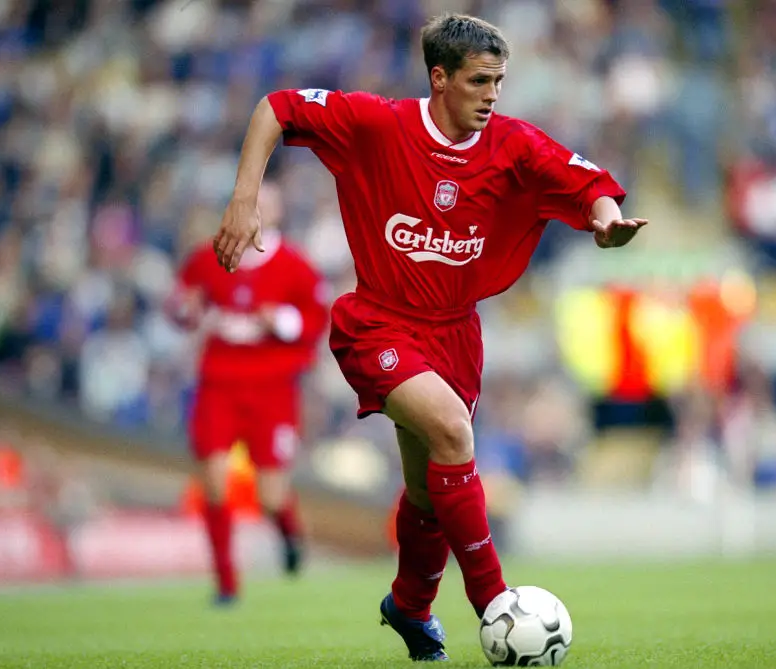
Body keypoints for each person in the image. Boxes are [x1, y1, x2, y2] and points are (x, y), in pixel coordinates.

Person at [212, 13, 647, 660]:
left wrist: (607, 221)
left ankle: (410, 605)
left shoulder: (513, 144)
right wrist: (244, 199)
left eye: (498, 82)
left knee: (428, 490)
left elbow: (587, 183)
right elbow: (276, 107)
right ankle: (496, 604)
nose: (492, 95)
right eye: (479, 81)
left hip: (454, 334)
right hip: (377, 322)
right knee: (452, 431)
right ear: (440, 78)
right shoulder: (377, 124)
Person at [167, 182, 329, 605]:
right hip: (219, 382)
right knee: (214, 481)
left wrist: (283, 320)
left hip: (272, 388)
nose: (257, 210)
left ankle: (289, 533)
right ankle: (226, 583)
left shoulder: (295, 265)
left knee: (270, 494)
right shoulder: (209, 257)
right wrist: (188, 310)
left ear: (278, 212)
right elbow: (182, 304)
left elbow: (316, 319)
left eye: (266, 203)